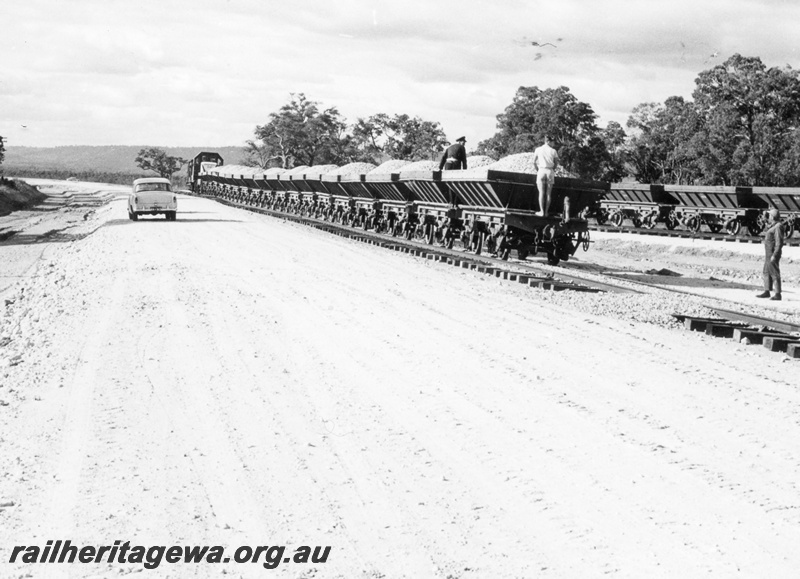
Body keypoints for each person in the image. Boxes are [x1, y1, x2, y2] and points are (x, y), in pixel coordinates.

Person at [756, 208, 784, 301]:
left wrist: (775, 255)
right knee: (766, 271)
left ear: (772, 216)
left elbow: (779, 242)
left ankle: (778, 294)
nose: (769, 217)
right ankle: (767, 291)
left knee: (774, 273)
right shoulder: (773, 225)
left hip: (773, 253)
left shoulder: (778, 227)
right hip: (768, 253)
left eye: (769, 215)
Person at [533, 135, 560, 216]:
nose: (553, 143)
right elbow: (556, 163)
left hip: (541, 170)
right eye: (552, 142)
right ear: (548, 141)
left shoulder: (538, 149)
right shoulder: (553, 151)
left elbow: (534, 162)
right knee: (548, 193)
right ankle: (546, 212)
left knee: (541, 193)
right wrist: (552, 169)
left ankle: (541, 211)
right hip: (549, 171)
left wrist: (538, 170)